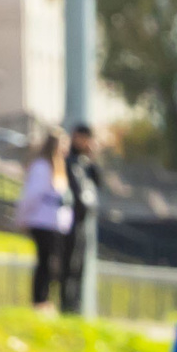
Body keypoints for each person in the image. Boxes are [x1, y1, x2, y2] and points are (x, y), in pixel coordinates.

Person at [15, 132, 73, 312]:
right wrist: (22, 218)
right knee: (45, 262)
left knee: (54, 263)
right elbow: (31, 195)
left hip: (56, 223)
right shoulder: (42, 166)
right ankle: (39, 300)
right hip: (42, 221)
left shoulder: (59, 166)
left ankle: (47, 299)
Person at [59, 124, 102, 312]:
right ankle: (66, 305)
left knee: (80, 265)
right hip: (69, 220)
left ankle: (75, 306)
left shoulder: (86, 163)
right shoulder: (68, 161)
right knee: (69, 264)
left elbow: (98, 183)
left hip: (83, 221)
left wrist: (93, 157)